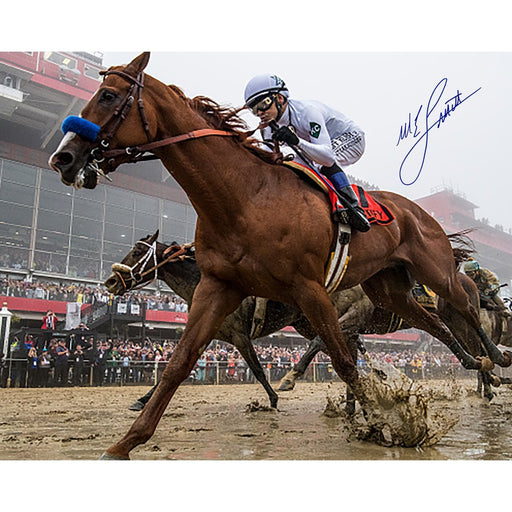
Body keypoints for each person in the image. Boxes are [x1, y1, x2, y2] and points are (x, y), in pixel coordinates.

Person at [244, 74, 370, 232]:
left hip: (351, 137)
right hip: (320, 145)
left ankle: (354, 208)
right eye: (254, 110)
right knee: (292, 164)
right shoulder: (268, 127)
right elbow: (268, 158)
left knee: (319, 163)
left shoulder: (307, 113)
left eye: (263, 104)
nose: (260, 113)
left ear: (280, 99)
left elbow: (328, 157)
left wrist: (297, 142)